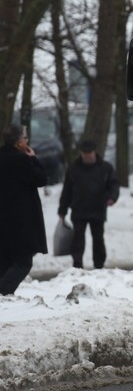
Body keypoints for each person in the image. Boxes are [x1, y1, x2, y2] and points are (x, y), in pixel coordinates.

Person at [0, 123, 48, 295]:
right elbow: (41, 179)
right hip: (21, 221)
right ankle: (4, 291)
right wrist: (33, 158)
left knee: (5, 261)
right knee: (23, 262)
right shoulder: (22, 161)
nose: (27, 140)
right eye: (26, 137)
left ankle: (4, 297)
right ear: (20, 142)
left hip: (2, 220)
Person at [58, 139, 120, 270]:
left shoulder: (105, 168)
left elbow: (113, 185)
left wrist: (112, 197)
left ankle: (99, 265)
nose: (87, 156)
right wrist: (62, 209)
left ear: (95, 152)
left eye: (89, 153)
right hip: (79, 209)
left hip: (98, 209)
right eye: (84, 153)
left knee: (98, 238)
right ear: (81, 154)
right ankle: (77, 265)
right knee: (78, 239)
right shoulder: (74, 168)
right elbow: (67, 189)